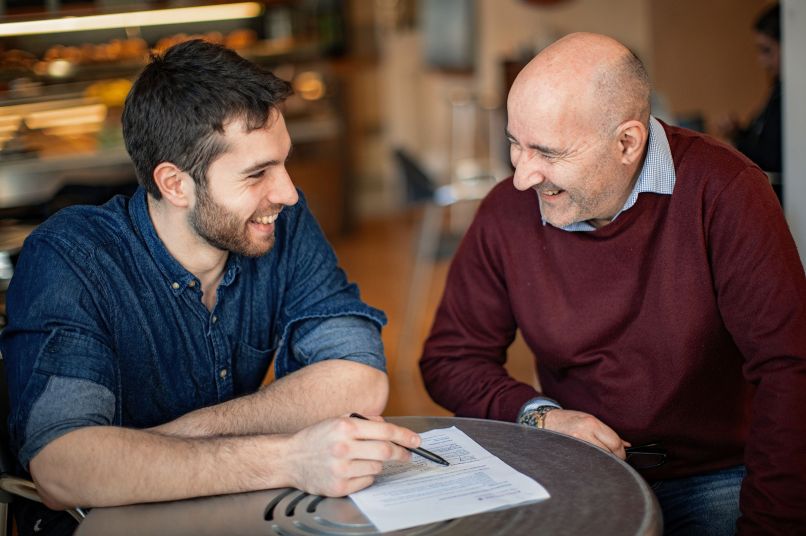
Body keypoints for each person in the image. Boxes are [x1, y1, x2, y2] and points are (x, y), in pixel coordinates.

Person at [0, 40, 421, 535]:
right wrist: (288, 459)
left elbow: (360, 379)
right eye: (257, 173)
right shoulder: (72, 258)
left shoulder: (278, 222)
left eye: (283, 162)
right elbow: (64, 468)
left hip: (231, 509)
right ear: (175, 184)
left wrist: (172, 440)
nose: (287, 193)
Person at [420, 32, 806, 535]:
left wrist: (771, 525)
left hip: (717, 473)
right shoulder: (508, 210)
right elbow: (451, 358)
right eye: (515, 144)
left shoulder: (726, 191)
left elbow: (789, 368)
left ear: (627, 142)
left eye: (548, 152)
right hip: (578, 468)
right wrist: (541, 416)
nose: (522, 177)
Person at [718, 3, 781, 177]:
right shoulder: (778, 90)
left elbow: (771, 157)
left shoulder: (792, 96)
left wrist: (739, 141)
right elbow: (766, 140)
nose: (762, 62)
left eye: (767, 50)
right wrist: (739, 133)